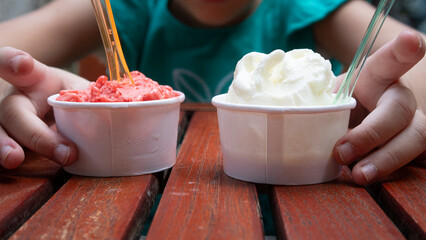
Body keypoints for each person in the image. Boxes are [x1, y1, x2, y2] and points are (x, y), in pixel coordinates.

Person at [0, 0, 424, 186]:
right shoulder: (125, 7)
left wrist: (403, 101)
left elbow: (413, 61)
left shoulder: (310, 6)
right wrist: (22, 87)